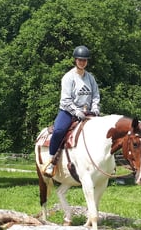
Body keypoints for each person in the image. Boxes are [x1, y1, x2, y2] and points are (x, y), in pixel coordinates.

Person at [43, 45, 101, 177]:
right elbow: (65, 100)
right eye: (80, 60)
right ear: (75, 60)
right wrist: (76, 111)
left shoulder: (90, 78)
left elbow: (96, 95)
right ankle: (51, 161)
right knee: (59, 131)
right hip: (68, 112)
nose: (82, 62)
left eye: (85, 60)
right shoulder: (68, 77)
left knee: (104, 132)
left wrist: (96, 107)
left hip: (88, 112)